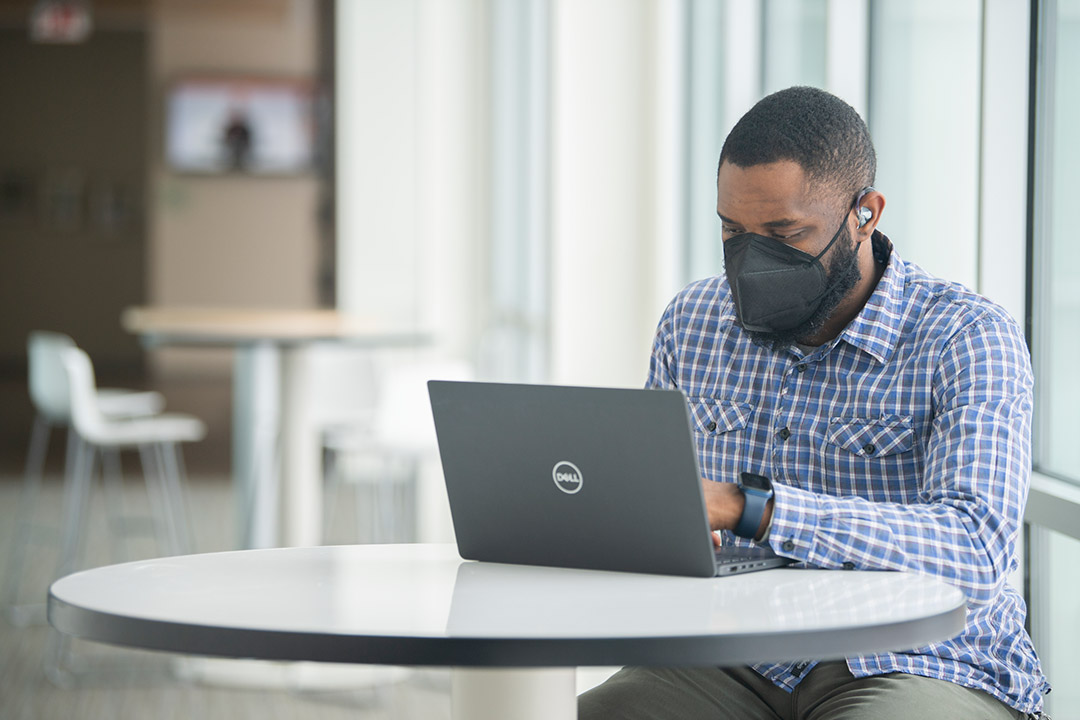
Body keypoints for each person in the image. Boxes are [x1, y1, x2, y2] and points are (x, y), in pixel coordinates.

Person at [578, 86, 1049, 719]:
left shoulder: (966, 337)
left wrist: (754, 510)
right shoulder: (692, 322)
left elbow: (976, 551)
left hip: (920, 660)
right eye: (732, 231)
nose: (751, 261)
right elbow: (660, 510)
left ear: (866, 214)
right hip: (729, 657)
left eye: (784, 233)